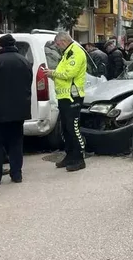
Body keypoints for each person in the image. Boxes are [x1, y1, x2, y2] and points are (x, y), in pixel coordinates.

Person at [0, 34, 32, 186]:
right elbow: (29, 81)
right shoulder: (24, 60)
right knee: (16, 143)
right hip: (19, 109)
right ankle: (17, 174)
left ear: (1, 46)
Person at [47, 32, 88, 172]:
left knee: (73, 128)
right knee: (65, 128)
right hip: (64, 97)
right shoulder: (67, 53)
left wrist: (52, 73)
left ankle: (79, 158)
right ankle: (70, 155)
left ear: (64, 41)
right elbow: (62, 75)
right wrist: (52, 74)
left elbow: (70, 74)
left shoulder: (75, 52)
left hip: (73, 96)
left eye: (58, 44)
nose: (58, 47)